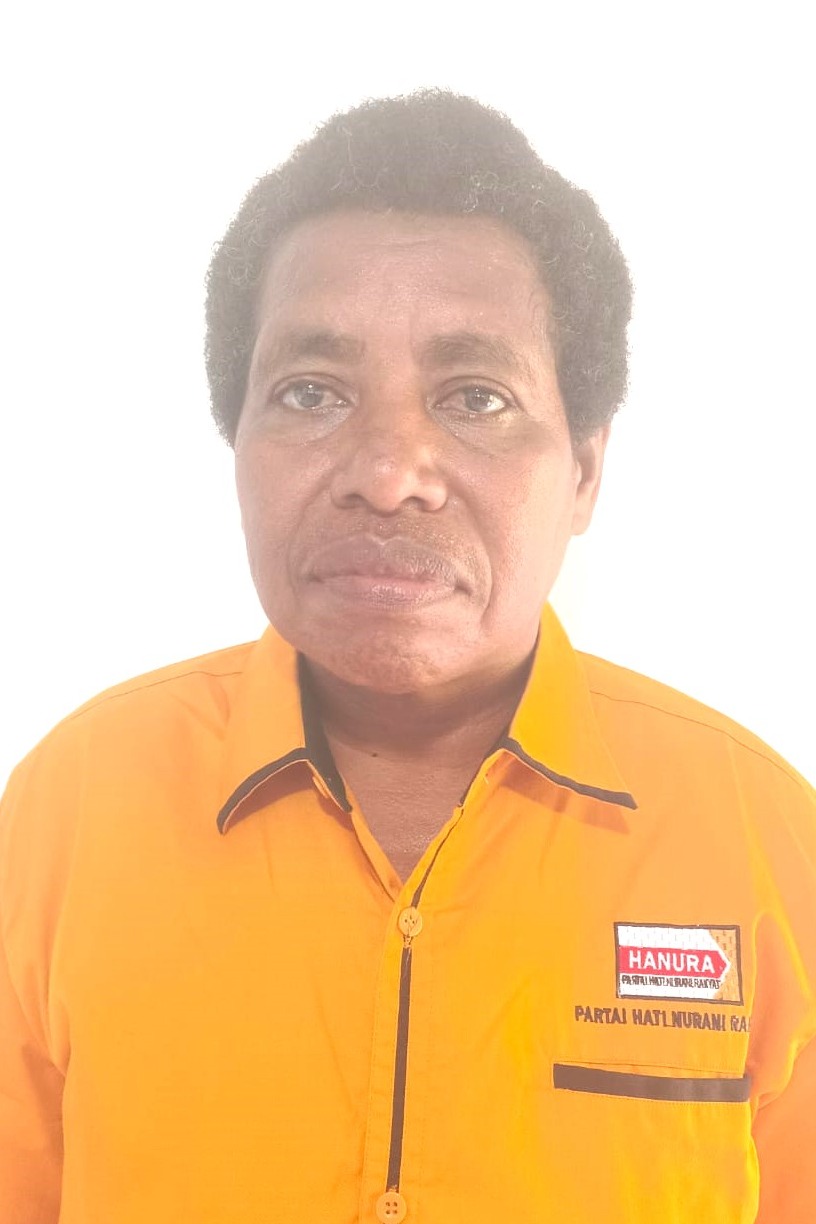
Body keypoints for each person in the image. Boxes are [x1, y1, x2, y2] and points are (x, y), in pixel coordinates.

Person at [1, 89, 814, 1224]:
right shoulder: (66, 811)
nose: (389, 474)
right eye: (311, 393)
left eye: (475, 397)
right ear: (237, 443)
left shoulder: (768, 842)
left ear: (584, 471)